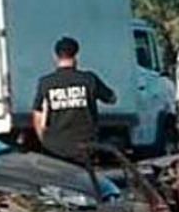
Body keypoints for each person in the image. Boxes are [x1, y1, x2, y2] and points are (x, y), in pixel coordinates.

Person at [32, 36, 116, 164]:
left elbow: (37, 111)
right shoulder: (89, 79)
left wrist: (42, 137)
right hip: (84, 145)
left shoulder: (45, 82)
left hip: (54, 146)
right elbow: (111, 98)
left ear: (55, 57)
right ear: (76, 55)